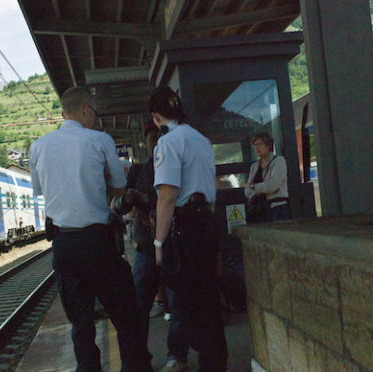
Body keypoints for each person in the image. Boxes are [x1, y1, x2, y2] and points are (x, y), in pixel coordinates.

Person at [30, 86, 150, 372]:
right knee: (124, 314)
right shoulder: (99, 140)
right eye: (94, 112)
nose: (95, 118)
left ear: (63, 113)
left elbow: (38, 189)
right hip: (97, 243)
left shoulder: (38, 146)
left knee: (80, 324)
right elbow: (119, 187)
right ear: (86, 109)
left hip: (63, 246)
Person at [151, 87, 228, 372]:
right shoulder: (202, 140)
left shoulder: (168, 143)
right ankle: (215, 362)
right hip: (207, 222)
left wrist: (159, 244)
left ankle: (191, 358)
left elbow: (167, 196)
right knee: (208, 299)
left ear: (156, 117)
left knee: (186, 298)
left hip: (186, 228)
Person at [112, 122, 180, 366]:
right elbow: (120, 205)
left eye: (159, 139)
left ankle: (176, 355)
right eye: (152, 139)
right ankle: (140, 359)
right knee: (138, 308)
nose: (156, 143)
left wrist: (143, 197)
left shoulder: (176, 167)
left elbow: (170, 198)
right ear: (146, 143)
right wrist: (126, 199)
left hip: (173, 247)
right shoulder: (138, 171)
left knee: (178, 306)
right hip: (145, 249)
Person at [244, 132, 291, 222]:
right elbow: (247, 190)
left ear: (269, 145)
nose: (256, 147)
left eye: (260, 144)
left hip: (277, 207)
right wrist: (263, 186)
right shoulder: (254, 166)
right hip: (258, 209)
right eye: (254, 145)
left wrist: (255, 186)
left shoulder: (279, 161)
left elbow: (273, 185)